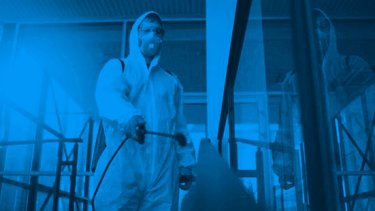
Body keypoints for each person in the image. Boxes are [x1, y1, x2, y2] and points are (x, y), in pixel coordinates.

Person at [93, 11, 196, 210]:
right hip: (123, 167)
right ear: (136, 34)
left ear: (162, 38)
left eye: (157, 31)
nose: (152, 35)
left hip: (162, 173)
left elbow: (179, 126)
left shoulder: (170, 80)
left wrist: (186, 162)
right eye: (146, 30)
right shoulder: (119, 67)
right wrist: (129, 117)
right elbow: (109, 97)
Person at [272, 8, 375, 189]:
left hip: (357, 156)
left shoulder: (353, 64)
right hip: (315, 160)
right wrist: (284, 166)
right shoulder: (296, 81)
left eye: (322, 26)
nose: (318, 33)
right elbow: (286, 126)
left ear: (332, 30)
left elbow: (369, 111)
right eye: (311, 28)